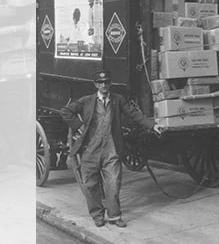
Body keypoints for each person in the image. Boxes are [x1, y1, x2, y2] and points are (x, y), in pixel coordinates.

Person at [59, 70, 165, 228]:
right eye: (100, 83)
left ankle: (114, 216)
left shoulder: (118, 100)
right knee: (91, 185)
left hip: (111, 149)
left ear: (110, 83)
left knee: (113, 183)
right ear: (95, 84)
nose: (104, 85)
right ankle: (97, 214)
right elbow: (65, 111)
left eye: (106, 82)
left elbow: (134, 114)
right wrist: (78, 126)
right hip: (90, 150)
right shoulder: (87, 101)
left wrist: (153, 125)